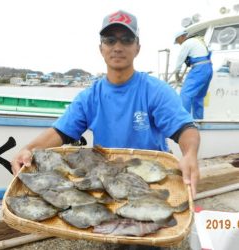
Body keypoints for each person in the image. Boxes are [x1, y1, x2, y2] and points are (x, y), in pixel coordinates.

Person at [11, 10, 200, 198]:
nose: (118, 46)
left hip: (152, 181)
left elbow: (185, 129)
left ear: (137, 48)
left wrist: (189, 154)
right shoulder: (89, 97)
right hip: (108, 181)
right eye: (110, 40)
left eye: (126, 39)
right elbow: (60, 132)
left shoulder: (156, 90)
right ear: (101, 48)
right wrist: (28, 149)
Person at [174, 30, 213, 119]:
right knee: (198, 97)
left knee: (185, 94)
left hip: (199, 69)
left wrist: (177, 74)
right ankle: (198, 121)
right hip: (208, 68)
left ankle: (184, 122)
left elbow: (180, 59)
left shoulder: (186, 43)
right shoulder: (197, 40)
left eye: (177, 41)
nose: (178, 43)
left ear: (181, 37)